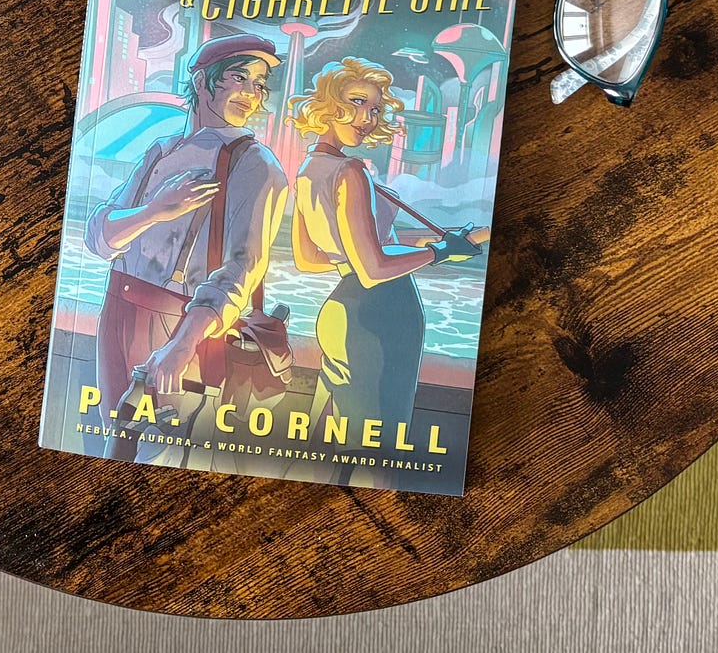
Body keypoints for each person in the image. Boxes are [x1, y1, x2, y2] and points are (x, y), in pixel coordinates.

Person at [84, 34, 287, 464]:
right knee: (113, 444)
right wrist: (155, 210)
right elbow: (100, 236)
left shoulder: (256, 165)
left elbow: (242, 268)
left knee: (162, 454)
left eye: (259, 84)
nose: (251, 94)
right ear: (202, 81)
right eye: (239, 77)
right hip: (118, 309)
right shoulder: (160, 151)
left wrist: (182, 344)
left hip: (179, 323)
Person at [288, 57, 488, 458]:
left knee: (341, 444)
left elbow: (310, 260)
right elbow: (374, 269)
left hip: (340, 316)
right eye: (357, 101)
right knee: (380, 452)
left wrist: (406, 251)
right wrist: (439, 251)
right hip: (377, 319)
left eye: (376, 108)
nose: (367, 117)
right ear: (327, 104)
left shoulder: (309, 169)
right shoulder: (351, 172)